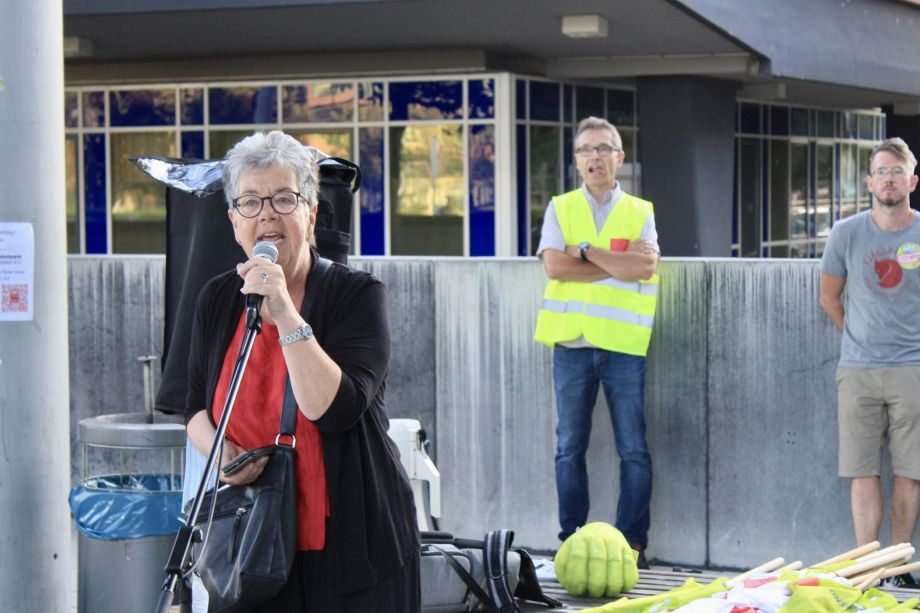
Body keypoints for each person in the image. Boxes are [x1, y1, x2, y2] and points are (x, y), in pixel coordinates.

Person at [185, 130, 420, 611]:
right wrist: (223, 454)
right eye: (250, 201)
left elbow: (332, 410)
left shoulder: (358, 295)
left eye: (283, 199)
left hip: (353, 550)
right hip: (253, 544)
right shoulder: (217, 298)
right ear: (234, 221)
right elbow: (192, 408)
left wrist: (284, 311)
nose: (267, 214)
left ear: (310, 214)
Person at [533, 116, 660, 568]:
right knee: (569, 449)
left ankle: (632, 547)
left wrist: (585, 252)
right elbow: (554, 267)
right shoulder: (560, 207)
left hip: (624, 346)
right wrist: (615, 264)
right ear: (576, 160)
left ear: (619, 158)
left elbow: (645, 268)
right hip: (571, 344)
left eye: (604, 148)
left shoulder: (640, 211)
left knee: (634, 449)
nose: (595, 157)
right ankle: (572, 541)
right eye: (586, 150)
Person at [820, 137, 920, 588]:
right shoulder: (846, 233)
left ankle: (899, 569)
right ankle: (868, 569)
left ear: (912, 181)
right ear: (869, 182)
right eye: (882, 171)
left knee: (910, 472)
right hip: (858, 369)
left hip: (913, 369)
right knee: (862, 471)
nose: (889, 179)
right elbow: (829, 297)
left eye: (898, 171)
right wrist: (857, 338)